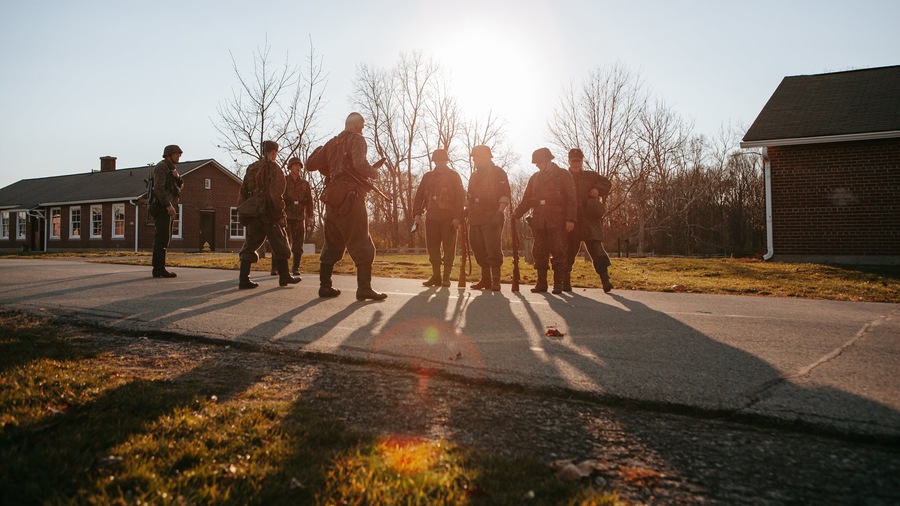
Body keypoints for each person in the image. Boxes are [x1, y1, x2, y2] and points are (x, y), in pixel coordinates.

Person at [317, 112, 387, 301]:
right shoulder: (357, 139)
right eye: (362, 126)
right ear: (356, 125)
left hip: (331, 198)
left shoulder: (332, 143)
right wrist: (374, 173)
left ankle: (324, 286)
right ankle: (364, 288)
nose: (363, 130)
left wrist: (328, 161)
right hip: (351, 198)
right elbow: (360, 164)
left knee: (332, 243)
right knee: (362, 242)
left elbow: (310, 164)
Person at [237, 140, 300, 289]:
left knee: (250, 245)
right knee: (281, 243)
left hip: (254, 213)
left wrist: (244, 212)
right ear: (273, 152)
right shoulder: (273, 168)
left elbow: (243, 191)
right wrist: (280, 213)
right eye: (275, 152)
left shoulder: (251, 168)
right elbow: (276, 194)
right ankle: (284, 276)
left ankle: (244, 279)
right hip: (269, 214)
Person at [512, 147, 577, 294]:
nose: (538, 166)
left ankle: (558, 284)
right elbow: (527, 200)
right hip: (539, 220)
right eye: (536, 163)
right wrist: (517, 213)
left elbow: (571, 199)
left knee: (559, 251)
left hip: (557, 219)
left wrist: (570, 219)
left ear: (548, 161)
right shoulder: (535, 178)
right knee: (539, 252)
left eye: (540, 162)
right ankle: (541, 283)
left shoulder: (563, 175)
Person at [412, 149, 466, 287]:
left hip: (449, 218)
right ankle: (436, 276)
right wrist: (417, 214)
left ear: (446, 161)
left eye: (442, 160)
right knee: (432, 248)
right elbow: (419, 196)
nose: (440, 163)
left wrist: (457, 217)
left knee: (449, 248)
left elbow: (460, 198)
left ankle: (446, 277)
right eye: (437, 161)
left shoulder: (454, 176)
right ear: (434, 161)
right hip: (431, 217)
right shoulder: (427, 177)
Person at [564, 148, 614, 293]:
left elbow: (606, 183)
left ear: (582, 161)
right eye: (573, 161)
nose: (576, 163)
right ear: (569, 161)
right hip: (571, 218)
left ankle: (605, 280)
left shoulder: (590, 176)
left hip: (589, 219)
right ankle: (565, 282)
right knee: (568, 252)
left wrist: (598, 189)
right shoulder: (563, 177)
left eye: (578, 160)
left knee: (597, 251)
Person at [466, 145, 511, 291]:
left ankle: (496, 280)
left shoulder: (498, 173)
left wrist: (499, 212)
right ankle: (485, 279)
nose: (475, 160)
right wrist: (466, 210)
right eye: (474, 158)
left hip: (492, 215)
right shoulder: (474, 175)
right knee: (478, 248)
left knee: (492, 249)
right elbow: (470, 195)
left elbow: (505, 195)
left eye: (477, 158)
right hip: (475, 216)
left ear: (485, 158)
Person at [149, 144, 184, 278]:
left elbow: (180, 186)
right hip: (163, 207)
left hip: (170, 207)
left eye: (179, 155)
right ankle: (158, 268)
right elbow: (159, 188)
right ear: (169, 155)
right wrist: (168, 205)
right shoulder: (161, 167)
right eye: (176, 154)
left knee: (165, 238)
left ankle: (160, 267)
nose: (178, 157)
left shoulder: (172, 169)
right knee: (161, 238)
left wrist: (177, 177)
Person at [280, 157, 315, 278]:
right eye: (295, 166)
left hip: (299, 216)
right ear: (290, 168)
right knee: (282, 242)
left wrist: (310, 216)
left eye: (299, 166)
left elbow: (309, 201)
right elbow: (278, 197)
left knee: (298, 243)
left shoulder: (305, 184)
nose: (297, 168)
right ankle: (277, 266)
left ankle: (296, 267)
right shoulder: (284, 181)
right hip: (285, 215)